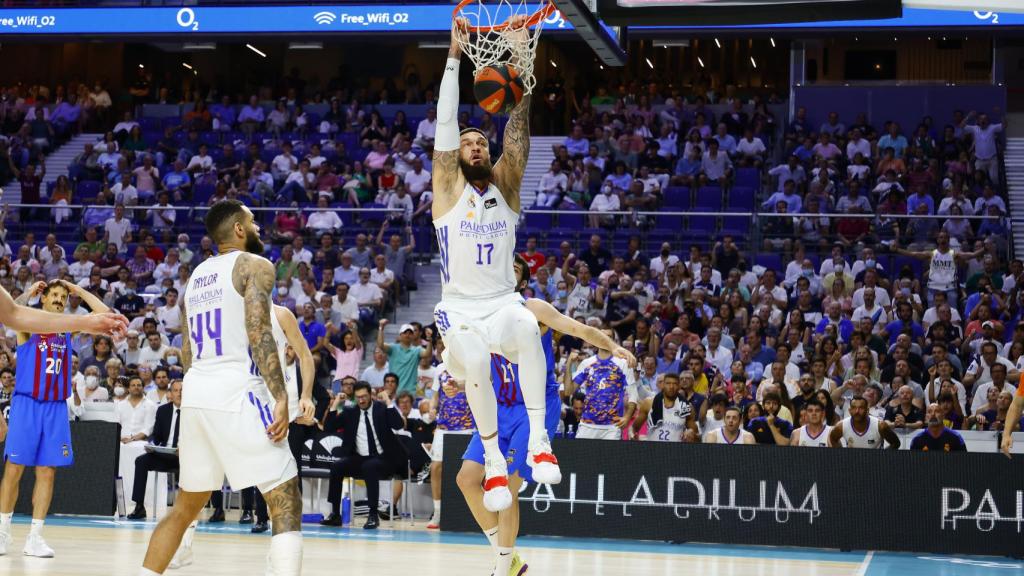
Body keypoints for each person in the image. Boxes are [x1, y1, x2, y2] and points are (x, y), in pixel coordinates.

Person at [431, 18, 558, 514]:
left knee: (528, 330)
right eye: (468, 142)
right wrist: (453, 58)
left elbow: (518, 132)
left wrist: (521, 69)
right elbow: (445, 125)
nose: (476, 144)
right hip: (459, 309)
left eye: (481, 139)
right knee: (478, 361)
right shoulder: (446, 188)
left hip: (502, 300)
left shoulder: (504, 187)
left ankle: (539, 440)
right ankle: (491, 460)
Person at [136, 200, 303, 576]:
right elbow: (259, 332)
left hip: (196, 391)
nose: (259, 227)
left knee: (185, 507)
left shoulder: (195, 277)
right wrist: (280, 395)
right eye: (253, 221)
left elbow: (187, 351)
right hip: (236, 386)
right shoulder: (254, 265)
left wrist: (197, 396)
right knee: (285, 496)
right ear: (239, 230)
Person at [457, 253, 635, 575]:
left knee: (508, 488)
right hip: (498, 406)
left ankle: (502, 568)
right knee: (467, 479)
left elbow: (577, 328)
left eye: (513, 270)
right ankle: (508, 558)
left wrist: (612, 345)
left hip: (533, 408)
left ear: (523, 282)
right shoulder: (481, 312)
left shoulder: (533, 309)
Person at [0, 279, 122, 558]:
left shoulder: (68, 329)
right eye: (53, 295)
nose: (58, 299)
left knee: (47, 472)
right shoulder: (28, 326)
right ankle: (3, 532)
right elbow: (8, 313)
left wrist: (78, 290)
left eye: (62, 296)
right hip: (27, 404)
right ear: (43, 300)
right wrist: (27, 293)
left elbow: (105, 314)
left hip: (55, 407)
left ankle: (35, 536)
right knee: (14, 468)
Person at [319, 382, 407, 529]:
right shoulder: (350, 412)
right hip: (359, 458)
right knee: (336, 467)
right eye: (358, 397)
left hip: (384, 459)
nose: (361, 400)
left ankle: (373, 515)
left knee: (370, 466)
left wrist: (388, 400)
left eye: (364, 396)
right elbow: (328, 427)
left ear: (370, 394)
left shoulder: (381, 408)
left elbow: (398, 425)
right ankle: (335, 514)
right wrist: (335, 404)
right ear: (354, 397)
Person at [427, 363, 474, 530]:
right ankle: (438, 512)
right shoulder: (439, 369)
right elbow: (435, 395)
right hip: (443, 426)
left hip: (468, 425)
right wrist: (432, 408)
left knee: (471, 470)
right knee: (436, 467)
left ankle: (472, 513)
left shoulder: (471, 362)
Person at [631, 372, 699, 442]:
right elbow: (634, 428)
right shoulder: (649, 403)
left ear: (679, 386)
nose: (671, 387)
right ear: (663, 385)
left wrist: (692, 433)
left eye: (675, 384)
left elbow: (697, 436)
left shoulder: (686, 407)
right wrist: (632, 434)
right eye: (668, 383)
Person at [828, 395, 901, 449]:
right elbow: (833, 439)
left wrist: (882, 457)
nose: (857, 411)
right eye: (854, 408)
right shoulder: (841, 426)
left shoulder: (880, 426)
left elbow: (896, 443)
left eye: (861, 408)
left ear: (867, 411)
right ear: (849, 411)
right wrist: (842, 454)